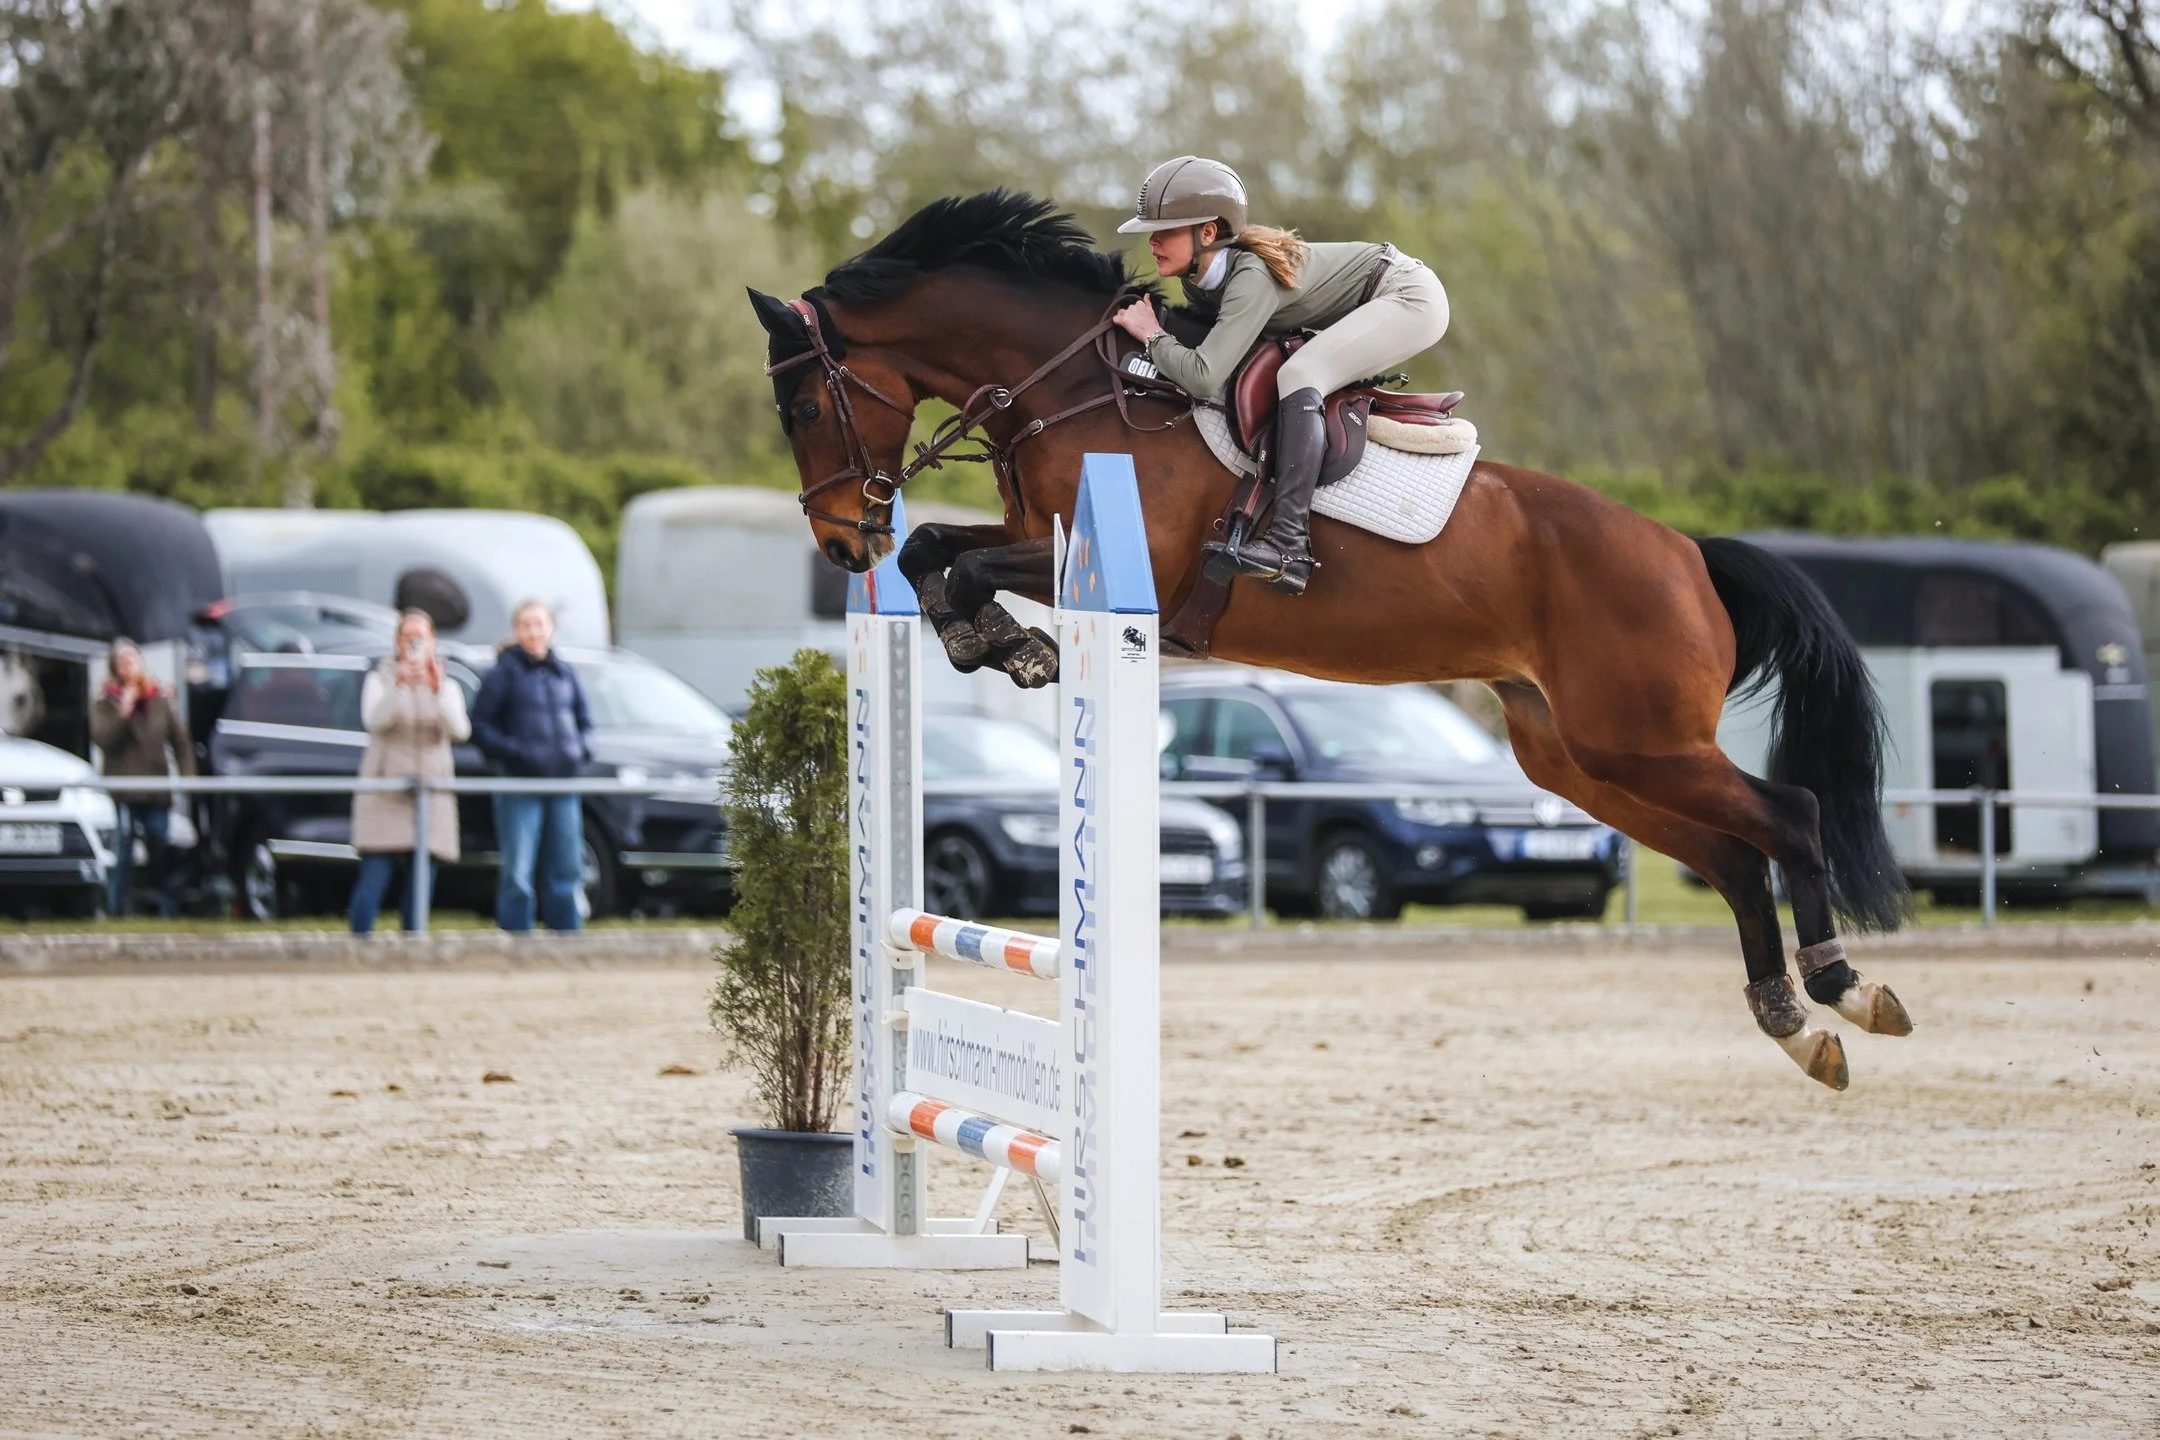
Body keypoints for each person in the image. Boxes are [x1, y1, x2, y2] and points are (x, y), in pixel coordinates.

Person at [1109, 155, 1451, 595]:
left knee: (1301, 372)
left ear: (1208, 232)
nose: (1153, 242)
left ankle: (1288, 544)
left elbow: (1202, 377)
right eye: (1151, 232)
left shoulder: (1249, 275)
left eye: (1166, 231)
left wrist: (1152, 335)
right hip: (1384, 295)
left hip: (1409, 298)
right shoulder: (1199, 277)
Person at [469, 599, 592, 932]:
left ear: (550, 628)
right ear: (517, 630)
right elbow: (480, 727)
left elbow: (585, 721)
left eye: (539, 624)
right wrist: (516, 752)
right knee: (518, 871)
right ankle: (516, 937)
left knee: (567, 869)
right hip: (519, 784)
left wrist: (580, 750)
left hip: (563, 784)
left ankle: (568, 938)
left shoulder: (565, 673)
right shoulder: (502, 673)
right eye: (526, 625)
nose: (533, 631)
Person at [349, 609, 469, 934]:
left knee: (420, 888)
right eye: (408, 637)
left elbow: (459, 729)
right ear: (397, 642)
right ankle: (355, 949)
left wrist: (437, 689)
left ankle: (412, 954)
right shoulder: (379, 679)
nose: (415, 643)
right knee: (373, 879)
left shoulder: (448, 685)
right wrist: (399, 686)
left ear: (433, 641)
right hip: (385, 796)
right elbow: (374, 721)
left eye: (422, 637)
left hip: (431, 799)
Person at [91, 638, 195, 917]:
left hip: (155, 789)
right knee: (123, 849)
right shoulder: (105, 703)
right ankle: (115, 908)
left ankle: (165, 907)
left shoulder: (158, 700)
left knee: (160, 846)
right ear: (115, 669)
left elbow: (180, 741)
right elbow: (103, 740)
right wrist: (124, 713)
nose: (129, 668)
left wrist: (188, 778)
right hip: (124, 790)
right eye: (123, 663)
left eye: (133, 661)